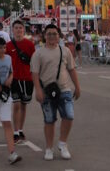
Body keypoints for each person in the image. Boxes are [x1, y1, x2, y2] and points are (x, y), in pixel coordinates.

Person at [31, 24, 81, 161]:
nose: (52, 36)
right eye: (49, 34)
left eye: (54, 34)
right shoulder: (38, 53)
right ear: (44, 36)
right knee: (49, 120)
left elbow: (71, 69)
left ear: (59, 36)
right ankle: (48, 149)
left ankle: (63, 144)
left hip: (64, 89)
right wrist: (38, 91)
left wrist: (77, 86)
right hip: (46, 91)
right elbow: (34, 74)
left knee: (69, 116)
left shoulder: (65, 51)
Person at [6, 20, 36, 144]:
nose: (18, 30)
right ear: (12, 30)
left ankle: (21, 130)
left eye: (20, 28)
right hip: (14, 79)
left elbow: (34, 62)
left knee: (24, 105)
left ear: (23, 30)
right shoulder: (8, 45)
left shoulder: (30, 45)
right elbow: (5, 63)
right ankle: (16, 132)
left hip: (28, 79)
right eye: (16, 28)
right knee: (16, 104)